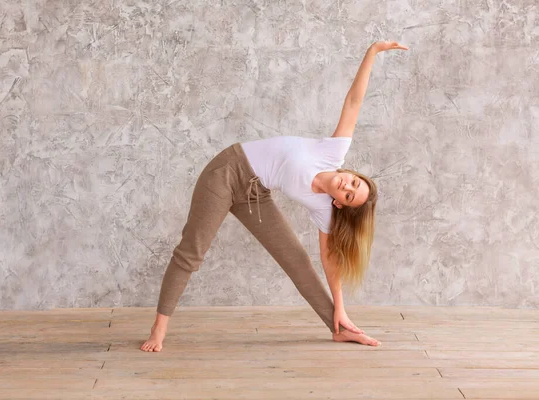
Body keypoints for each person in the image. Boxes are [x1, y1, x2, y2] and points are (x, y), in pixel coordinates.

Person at [141, 41, 409, 352]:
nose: (346, 186)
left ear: (339, 203)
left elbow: (328, 260)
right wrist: (373, 52)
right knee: (192, 252)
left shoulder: (324, 207)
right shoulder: (332, 152)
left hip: (254, 194)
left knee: (296, 259)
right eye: (353, 182)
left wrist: (340, 309)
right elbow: (354, 102)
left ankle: (337, 330)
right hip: (226, 171)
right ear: (351, 173)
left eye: (349, 195)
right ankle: (159, 328)